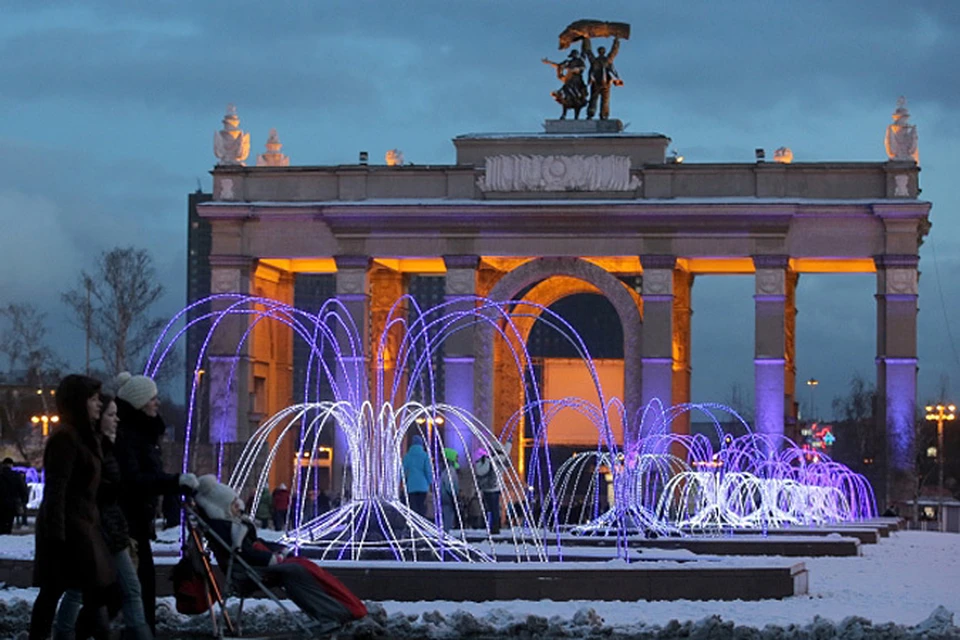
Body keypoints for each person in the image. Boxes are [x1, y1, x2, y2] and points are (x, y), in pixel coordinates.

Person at [193, 475, 366, 634]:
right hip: (247, 571)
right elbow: (244, 553)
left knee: (299, 567)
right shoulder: (227, 528)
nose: (238, 506)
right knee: (296, 570)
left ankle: (334, 611)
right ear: (221, 507)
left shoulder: (233, 525)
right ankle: (331, 613)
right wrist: (273, 559)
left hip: (253, 567)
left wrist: (281, 549)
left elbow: (254, 543)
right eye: (233, 503)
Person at [53, 394, 153, 640]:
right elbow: (87, 490)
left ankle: (70, 632)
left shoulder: (108, 446)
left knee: (121, 588)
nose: (115, 419)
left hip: (110, 528)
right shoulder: (93, 448)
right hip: (96, 528)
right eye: (110, 414)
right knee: (86, 589)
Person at [111, 372, 198, 634]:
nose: (157, 403)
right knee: (137, 583)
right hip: (127, 521)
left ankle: (135, 629)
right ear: (138, 402)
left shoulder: (143, 434)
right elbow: (135, 479)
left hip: (137, 520)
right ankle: (138, 631)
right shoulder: (129, 437)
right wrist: (174, 482)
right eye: (152, 398)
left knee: (134, 583)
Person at [29, 374, 112, 640]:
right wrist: (56, 537)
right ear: (78, 402)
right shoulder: (66, 438)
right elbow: (56, 491)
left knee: (90, 594)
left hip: (82, 529)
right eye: (93, 399)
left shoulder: (84, 437)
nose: (98, 404)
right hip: (69, 533)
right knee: (64, 593)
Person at [474, 440, 512, 535]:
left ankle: (489, 525)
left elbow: (480, 472)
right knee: (494, 508)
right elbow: (506, 458)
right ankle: (495, 526)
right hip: (496, 487)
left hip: (487, 487)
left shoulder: (488, 459)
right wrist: (509, 443)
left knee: (489, 508)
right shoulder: (500, 460)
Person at [582, 36, 622, 120]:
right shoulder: (606, 60)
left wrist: (586, 39)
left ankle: (595, 114)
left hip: (601, 83)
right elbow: (614, 51)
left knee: (596, 99)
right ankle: (602, 115)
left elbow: (588, 51)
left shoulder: (598, 60)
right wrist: (616, 41)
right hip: (600, 83)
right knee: (602, 100)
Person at [542, 48, 588, 119]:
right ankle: (564, 113)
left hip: (577, 80)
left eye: (574, 55)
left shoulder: (579, 61)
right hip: (569, 79)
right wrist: (549, 62)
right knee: (566, 95)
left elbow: (583, 67)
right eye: (572, 55)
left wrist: (576, 69)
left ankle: (576, 115)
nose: (573, 56)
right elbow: (559, 66)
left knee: (579, 95)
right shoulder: (568, 62)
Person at [402, 434, 432, 518]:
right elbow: (428, 471)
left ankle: (414, 526)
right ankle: (421, 526)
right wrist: (430, 482)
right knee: (422, 507)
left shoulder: (407, 456)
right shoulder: (425, 456)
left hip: (411, 486)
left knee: (413, 508)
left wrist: (400, 482)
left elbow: (402, 470)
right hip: (423, 486)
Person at [0, 457, 29, 534]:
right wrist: (24, 501)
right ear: (11, 465)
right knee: (8, 524)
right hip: (12, 504)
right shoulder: (16, 476)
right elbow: (23, 490)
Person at [439, 448, 460, 532]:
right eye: (456, 457)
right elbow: (450, 483)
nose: (458, 459)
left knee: (445, 514)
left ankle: (444, 530)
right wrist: (454, 493)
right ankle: (446, 532)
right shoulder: (450, 470)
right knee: (448, 514)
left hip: (443, 494)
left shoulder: (443, 468)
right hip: (447, 495)